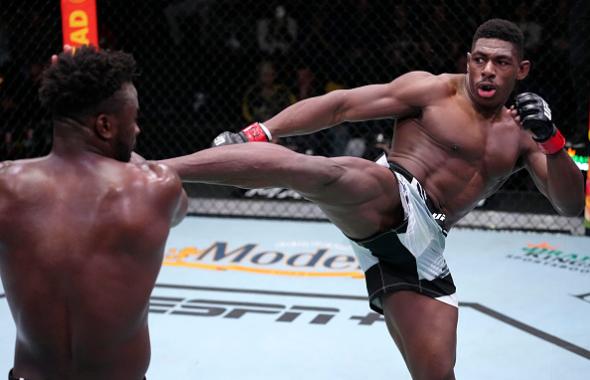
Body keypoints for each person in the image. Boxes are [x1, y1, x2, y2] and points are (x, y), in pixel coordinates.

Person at [162, 19, 584, 379]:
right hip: (395, 193)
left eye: (501, 62)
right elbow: (342, 105)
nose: (487, 71)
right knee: (323, 171)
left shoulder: (524, 134)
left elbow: (568, 205)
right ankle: (159, 169)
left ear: (522, 69)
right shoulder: (433, 91)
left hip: (425, 249)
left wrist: (553, 141)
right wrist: (260, 132)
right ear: (468, 60)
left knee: (437, 373)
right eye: (480, 59)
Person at [0, 46, 187, 380]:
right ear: (105, 125)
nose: (138, 130)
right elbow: (178, 210)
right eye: (134, 119)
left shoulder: (5, 185)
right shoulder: (156, 187)